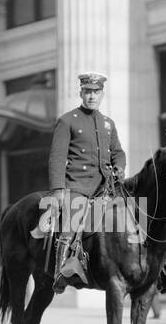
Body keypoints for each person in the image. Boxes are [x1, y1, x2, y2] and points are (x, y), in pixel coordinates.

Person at [48, 71, 127, 291]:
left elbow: (118, 153)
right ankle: (61, 273)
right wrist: (57, 190)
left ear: (102, 94)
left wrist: (120, 167)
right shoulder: (67, 121)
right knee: (71, 223)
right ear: (80, 92)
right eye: (88, 92)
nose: (92, 96)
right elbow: (57, 157)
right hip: (78, 185)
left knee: (132, 217)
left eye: (96, 92)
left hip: (106, 188)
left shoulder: (107, 123)